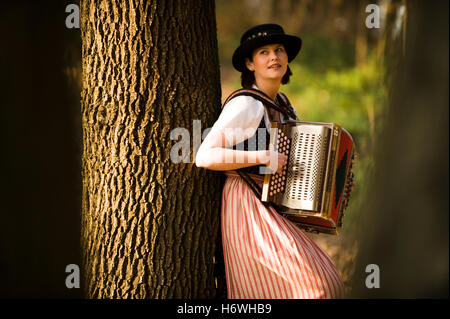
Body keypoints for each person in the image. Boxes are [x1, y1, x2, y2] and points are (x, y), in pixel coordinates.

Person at [195, 24, 345, 299]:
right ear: (250, 64)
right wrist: (261, 157)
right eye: (263, 52)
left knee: (328, 283)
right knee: (317, 288)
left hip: (273, 205)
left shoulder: (283, 103)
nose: (274, 57)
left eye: (279, 50)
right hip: (247, 206)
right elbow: (204, 156)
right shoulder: (246, 105)